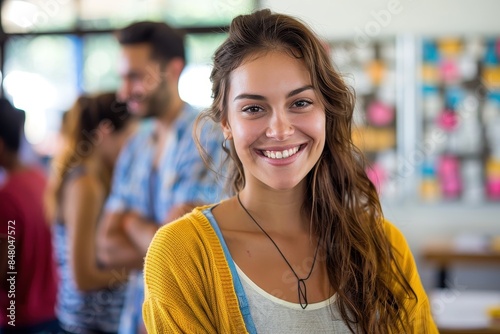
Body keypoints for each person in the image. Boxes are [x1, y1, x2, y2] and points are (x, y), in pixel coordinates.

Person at [143, 9, 439, 334]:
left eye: (300, 103)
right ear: (226, 123)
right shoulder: (180, 254)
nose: (280, 130)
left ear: (326, 110)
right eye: (253, 108)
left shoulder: (384, 246)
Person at [96, 21, 224, 333]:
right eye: (123, 78)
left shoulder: (206, 136)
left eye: (135, 77)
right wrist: (152, 235)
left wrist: (128, 222)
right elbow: (105, 246)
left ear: (173, 69)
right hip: (135, 321)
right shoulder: (136, 144)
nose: (124, 92)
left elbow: (179, 251)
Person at [44, 93, 136, 333]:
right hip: (88, 325)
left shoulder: (97, 180)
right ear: (105, 133)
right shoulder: (86, 186)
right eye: (129, 138)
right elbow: (83, 277)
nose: (134, 149)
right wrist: (139, 268)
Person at [0, 99, 60, 333]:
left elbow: (5, 270)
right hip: (51, 311)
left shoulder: (6, 197)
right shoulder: (40, 177)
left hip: (19, 318)